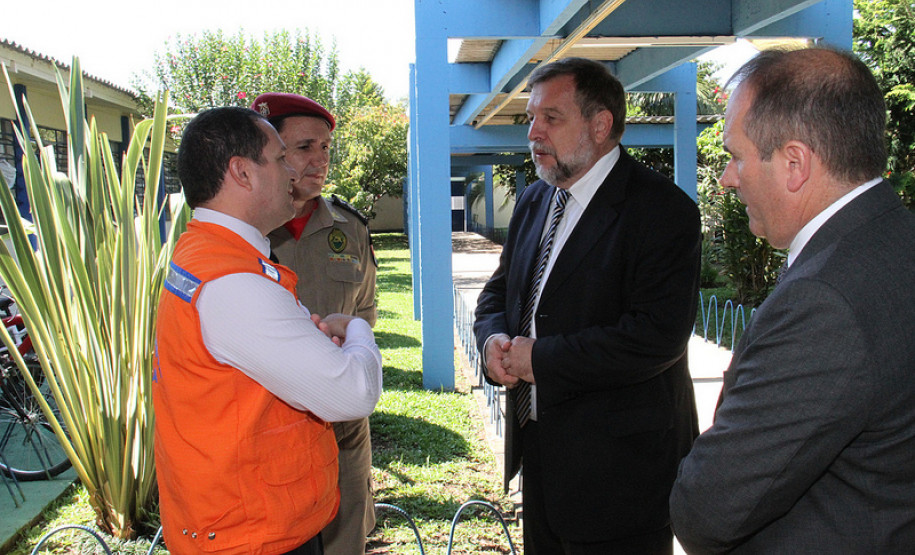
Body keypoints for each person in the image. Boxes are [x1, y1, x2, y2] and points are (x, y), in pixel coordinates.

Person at [669, 47, 915, 552]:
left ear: (795, 163)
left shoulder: (822, 301)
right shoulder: (895, 238)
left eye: (736, 157)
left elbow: (708, 509)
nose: (726, 178)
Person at [473, 57, 701, 554]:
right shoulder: (535, 200)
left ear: (600, 125)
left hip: (622, 479)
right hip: (541, 463)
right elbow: (499, 291)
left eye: (551, 118)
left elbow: (655, 336)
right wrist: (492, 340)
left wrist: (540, 359)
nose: (533, 132)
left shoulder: (662, 210)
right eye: (531, 118)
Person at [152, 106, 383, 555]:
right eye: (281, 159)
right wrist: (356, 331)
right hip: (250, 533)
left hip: (250, 518)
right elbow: (353, 391)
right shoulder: (233, 283)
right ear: (242, 173)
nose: (293, 173)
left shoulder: (208, 252)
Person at [251, 92, 378, 555]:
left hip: (340, 432)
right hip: (268, 434)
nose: (320, 160)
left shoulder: (350, 228)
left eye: (325, 148)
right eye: (305, 148)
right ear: (271, 155)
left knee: (345, 542)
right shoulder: (245, 232)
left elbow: (364, 312)